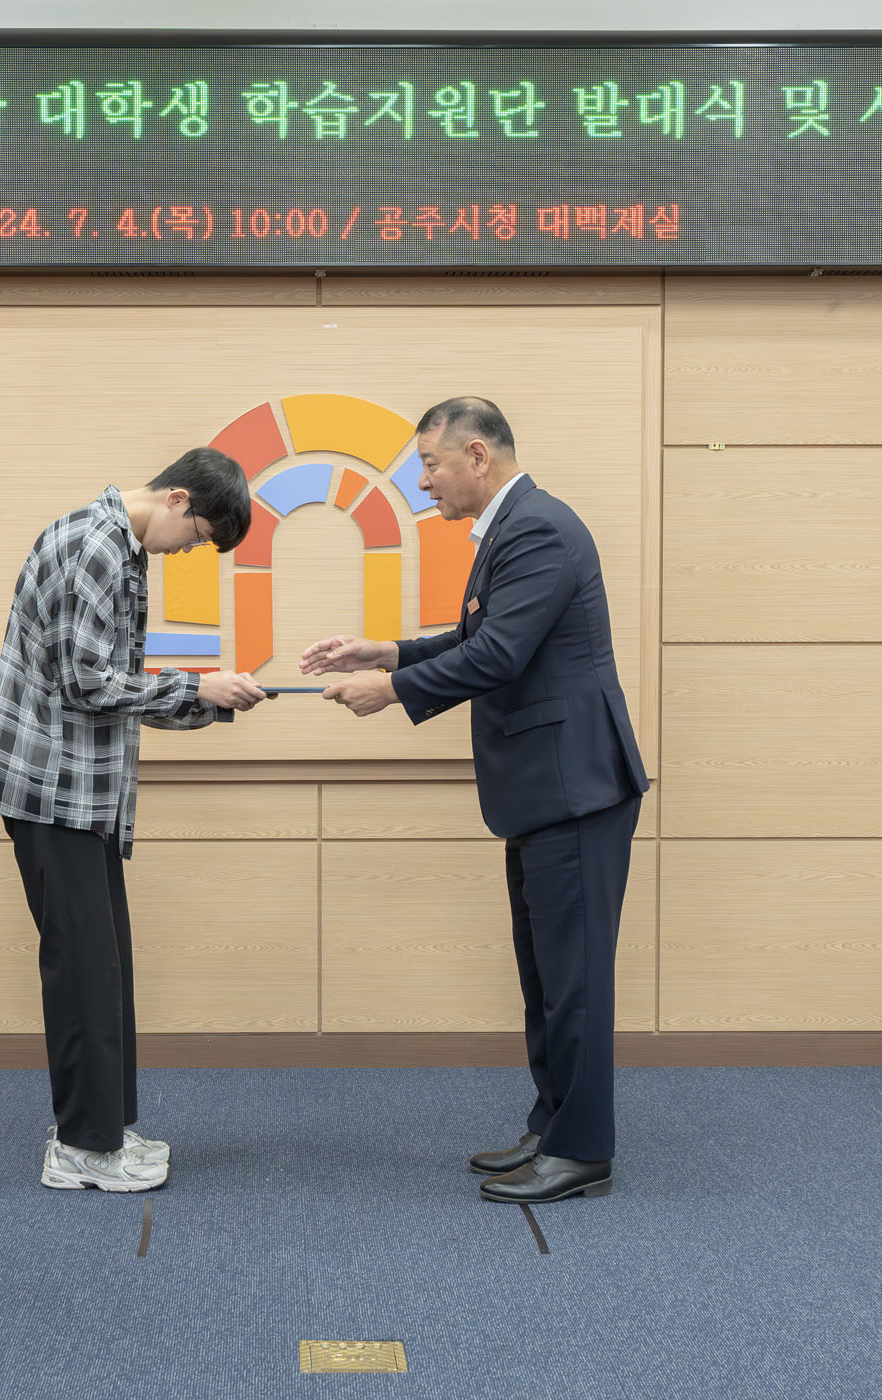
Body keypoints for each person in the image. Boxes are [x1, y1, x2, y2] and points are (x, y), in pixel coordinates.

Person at [303, 398, 648, 1206]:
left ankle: (582, 1151)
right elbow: (478, 637)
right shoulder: (514, 527)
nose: (423, 481)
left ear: (478, 454)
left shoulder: (539, 528)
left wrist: (390, 690)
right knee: (547, 977)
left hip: (575, 788)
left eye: (430, 463)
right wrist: (388, 651)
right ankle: (553, 1126)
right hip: (546, 790)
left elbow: (499, 654)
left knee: (575, 982)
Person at [0, 447, 265, 1194]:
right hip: (50, 792)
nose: (188, 549)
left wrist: (209, 699)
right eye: (196, 535)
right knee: (81, 974)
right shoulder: (96, 545)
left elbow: (112, 686)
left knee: (103, 969)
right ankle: (81, 1149)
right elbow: (88, 683)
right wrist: (199, 687)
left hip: (80, 794)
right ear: (177, 499)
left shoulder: (117, 545)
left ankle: (102, 1132)